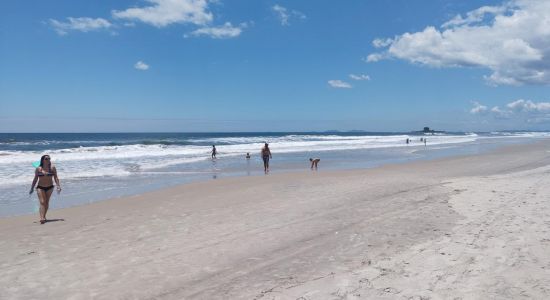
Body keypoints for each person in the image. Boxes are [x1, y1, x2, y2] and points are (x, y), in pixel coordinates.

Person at [29, 155, 61, 224]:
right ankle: (42, 218)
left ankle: (44, 216)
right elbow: (35, 179)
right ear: (43, 160)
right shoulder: (38, 169)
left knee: (46, 202)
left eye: (49, 158)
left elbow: (56, 177)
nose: (48, 160)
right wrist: (32, 188)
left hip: (50, 187)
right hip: (40, 187)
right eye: (46, 159)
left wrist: (58, 186)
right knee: (42, 202)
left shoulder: (52, 168)